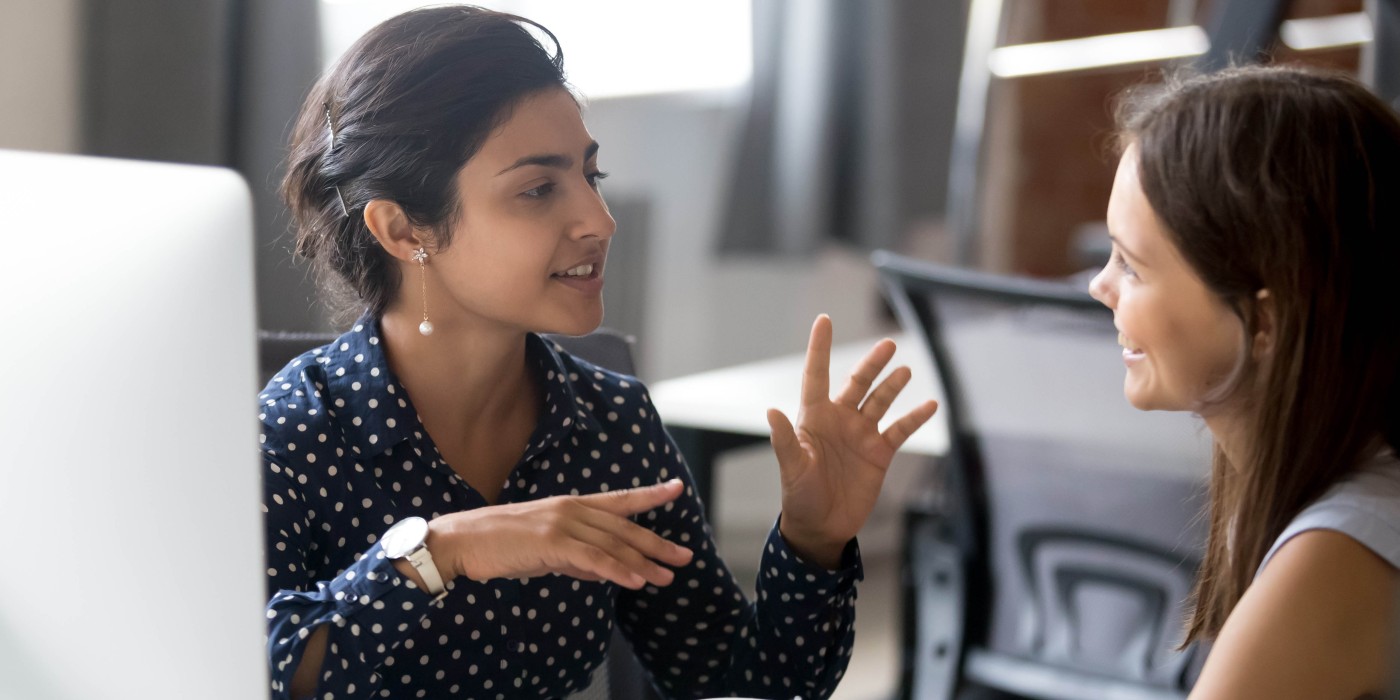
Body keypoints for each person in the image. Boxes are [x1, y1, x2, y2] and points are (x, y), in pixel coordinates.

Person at [260, 6, 938, 700]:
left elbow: (743, 680)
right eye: (537, 189)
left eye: (591, 175)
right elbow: (248, 672)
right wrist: (443, 552)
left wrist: (813, 539)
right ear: (403, 229)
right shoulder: (292, 435)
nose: (598, 220)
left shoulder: (611, 424)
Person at [1089, 64, 1400, 699]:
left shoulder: (1333, 559)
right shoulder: (1328, 485)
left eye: (1132, 265)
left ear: (1263, 320)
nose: (1100, 285)